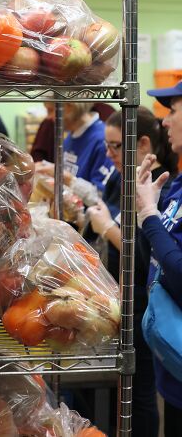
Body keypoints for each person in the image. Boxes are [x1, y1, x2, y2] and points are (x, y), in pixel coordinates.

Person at [82, 107, 169, 437]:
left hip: (143, 304)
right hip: (121, 297)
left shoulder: (159, 187)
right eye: (107, 146)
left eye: (116, 146)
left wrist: (105, 228)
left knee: (140, 392)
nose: (109, 154)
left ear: (143, 144)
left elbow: (147, 254)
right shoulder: (122, 177)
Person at [132, 81, 182, 426]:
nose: (165, 121)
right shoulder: (178, 184)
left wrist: (149, 217)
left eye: (173, 111)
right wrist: (145, 207)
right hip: (172, 367)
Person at [61, 102, 116, 192]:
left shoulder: (102, 140)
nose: (49, 117)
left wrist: (67, 179)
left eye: (51, 110)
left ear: (69, 107)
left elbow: (101, 195)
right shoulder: (71, 135)